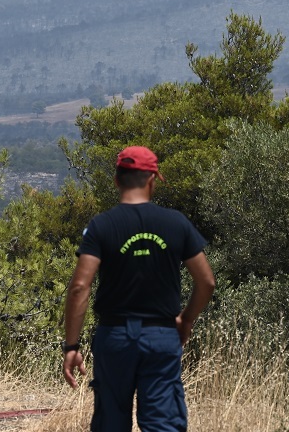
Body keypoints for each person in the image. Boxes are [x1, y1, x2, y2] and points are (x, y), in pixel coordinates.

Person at [62, 146, 216, 432]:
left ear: (117, 179)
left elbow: (79, 287)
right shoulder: (176, 223)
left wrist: (72, 345)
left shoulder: (101, 226)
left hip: (115, 337)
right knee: (163, 424)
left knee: (111, 422)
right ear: (152, 180)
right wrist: (186, 319)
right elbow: (206, 281)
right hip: (162, 336)